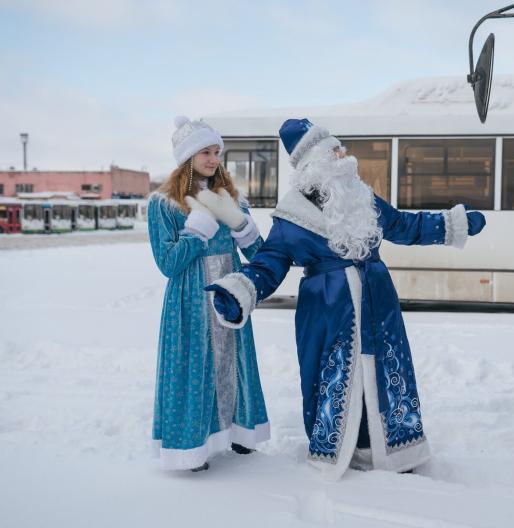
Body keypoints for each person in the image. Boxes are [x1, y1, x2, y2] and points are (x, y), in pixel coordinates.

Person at [206, 118, 486, 480]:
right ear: (314, 165)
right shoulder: (291, 217)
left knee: (385, 372)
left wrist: (451, 224)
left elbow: (405, 226)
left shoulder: (362, 197)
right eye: (333, 152)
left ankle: (393, 449)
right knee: (334, 375)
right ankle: (342, 448)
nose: (343, 156)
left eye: (341, 149)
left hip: (378, 302)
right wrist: (241, 290)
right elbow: (269, 263)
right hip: (327, 309)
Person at [147, 116, 269, 472]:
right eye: (206, 152)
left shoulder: (231, 198)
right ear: (187, 157)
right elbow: (168, 263)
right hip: (190, 299)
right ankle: (191, 447)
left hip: (229, 295)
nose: (214, 159)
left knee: (235, 364)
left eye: (217, 152)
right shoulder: (164, 203)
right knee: (193, 368)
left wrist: (242, 225)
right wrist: (198, 229)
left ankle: (239, 432)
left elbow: (259, 255)